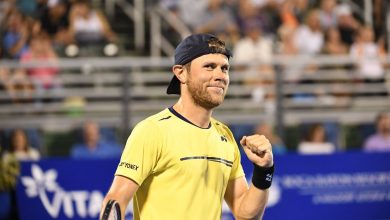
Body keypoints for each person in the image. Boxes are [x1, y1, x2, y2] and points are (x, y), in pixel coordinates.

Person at [101, 34, 274, 220]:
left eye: (225, 68)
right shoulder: (152, 131)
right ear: (180, 72)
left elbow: (245, 214)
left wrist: (264, 171)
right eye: (209, 67)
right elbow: (115, 199)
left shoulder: (225, 137)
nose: (220, 76)